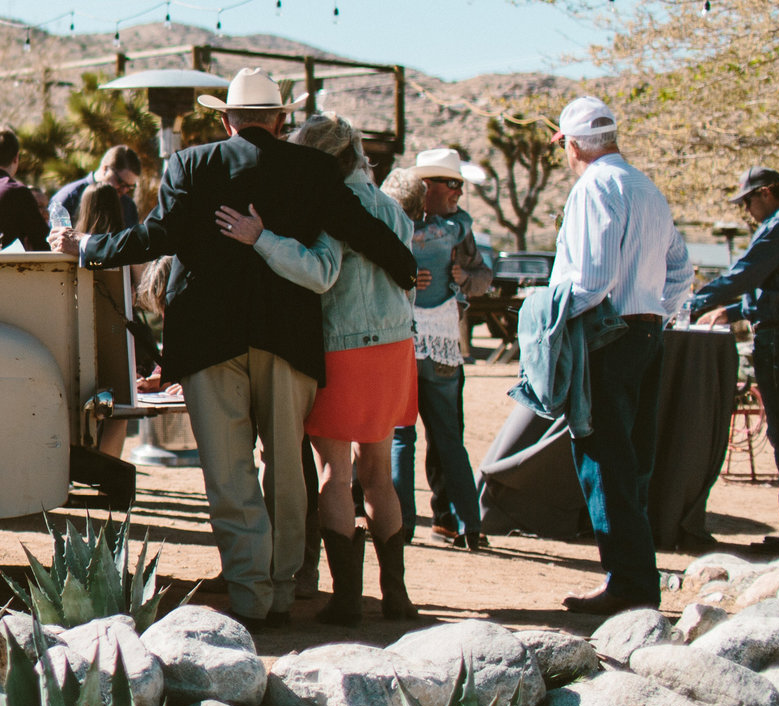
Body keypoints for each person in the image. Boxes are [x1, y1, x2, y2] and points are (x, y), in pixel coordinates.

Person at [52, 68, 417, 631]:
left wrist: (90, 247)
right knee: (287, 473)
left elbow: (158, 237)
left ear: (226, 118)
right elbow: (359, 227)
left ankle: (249, 593)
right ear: (278, 119)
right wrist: (405, 266)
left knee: (229, 474)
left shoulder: (190, 165)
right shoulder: (314, 170)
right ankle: (283, 587)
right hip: (290, 339)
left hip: (209, 339)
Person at [213, 113, 419, 623]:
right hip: (394, 348)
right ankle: (397, 596)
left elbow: (321, 273)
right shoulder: (393, 210)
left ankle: (347, 599)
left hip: (344, 348)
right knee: (379, 476)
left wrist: (260, 239)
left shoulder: (330, 204)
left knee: (334, 474)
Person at [546, 96, 692, 615]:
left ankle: (628, 582)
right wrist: (658, 310)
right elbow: (681, 264)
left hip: (607, 332)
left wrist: (554, 319)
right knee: (632, 458)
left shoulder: (594, 187)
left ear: (572, 144)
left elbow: (592, 275)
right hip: (647, 330)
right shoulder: (644, 186)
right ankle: (635, 577)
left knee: (603, 455)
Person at [689, 167, 779, 555]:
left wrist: (696, 301)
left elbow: (744, 275)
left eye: (748, 201)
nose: (747, 210)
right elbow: (771, 288)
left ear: (766, 193)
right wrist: (730, 313)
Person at [389, 149, 496, 550]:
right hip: (444, 340)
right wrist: (462, 278)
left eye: (460, 185)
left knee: (403, 436)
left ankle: (400, 526)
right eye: (452, 184)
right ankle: (470, 525)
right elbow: (483, 276)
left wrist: (461, 277)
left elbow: (482, 276)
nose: (459, 193)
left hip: (408, 336)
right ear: (427, 186)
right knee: (449, 436)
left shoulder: (396, 225)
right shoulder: (455, 230)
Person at [76, 181, 148, 462]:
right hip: (120, 338)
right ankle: (110, 469)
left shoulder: (69, 247)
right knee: (119, 410)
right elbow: (144, 293)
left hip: (80, 336)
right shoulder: (125, 246)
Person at [51, 146, 145, 233]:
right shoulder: (69, 196)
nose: (124, 190)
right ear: (105, 169)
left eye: (129, 187)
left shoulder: (128, 205)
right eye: (120, 182)